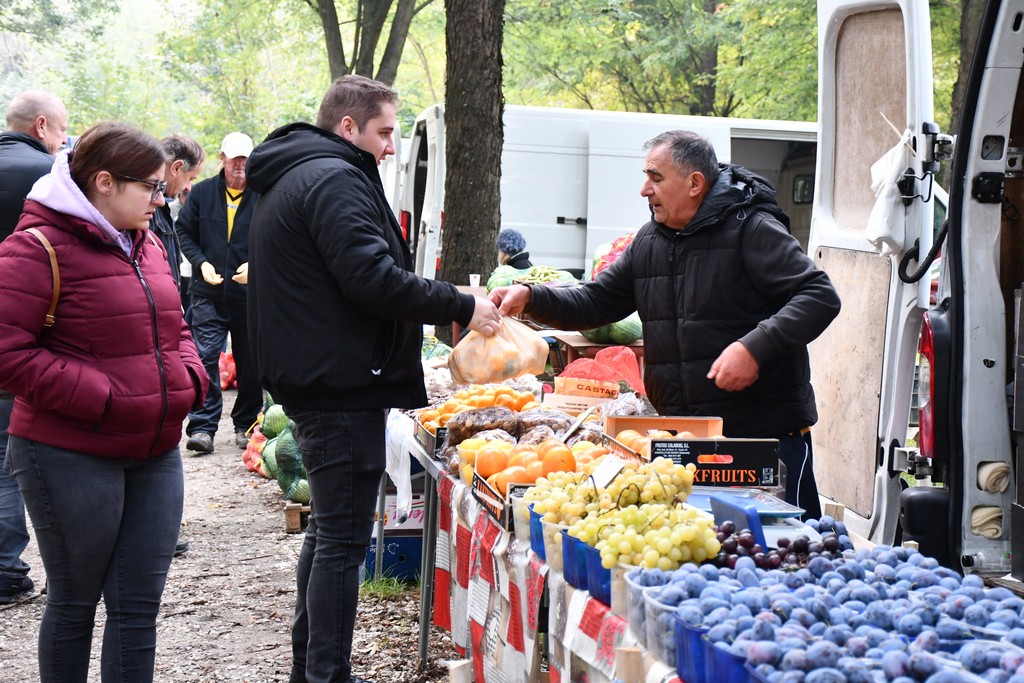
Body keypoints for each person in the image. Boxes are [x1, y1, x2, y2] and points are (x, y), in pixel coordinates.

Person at [246, 74, 500, 683]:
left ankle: (311, 668)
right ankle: (326, 674)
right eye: (384, 132)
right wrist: (460, 303)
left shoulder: (303, 173)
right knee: (342, 540)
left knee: (329, 534)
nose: (390, 146)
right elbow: (372, 280)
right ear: (348, 127)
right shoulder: (333, 179)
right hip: (337, 383)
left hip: (321, 375)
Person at [490, 130, 841, 519]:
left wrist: (754, 348)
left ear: (694, 184)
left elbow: (819, 295)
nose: (645, 190)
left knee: (790, 544)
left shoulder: (752, 229)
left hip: (762, 438)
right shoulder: (650, 241)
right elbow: (596, 301)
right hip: (686, 441)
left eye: (656, 178)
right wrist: (532, 297)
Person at [0, 121, 208, 682]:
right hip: (68, 452)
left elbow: (176, 325)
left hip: (155, 452)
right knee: (75, 603)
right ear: (105, 182)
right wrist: (105, 397)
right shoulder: (35, 247)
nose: (162, 199)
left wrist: (189, 378)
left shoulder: (148, 242)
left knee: (138, 608)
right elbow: (7, 353)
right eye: (152, 187)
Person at [0, 88, 68, 604]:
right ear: (41, 125)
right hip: (30, 338)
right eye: (62, 131)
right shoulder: (48, 177)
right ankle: (7, 572)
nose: (64, 141)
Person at [176, 131, 260, 454]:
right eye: (234, 158)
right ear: (222, 158)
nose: (239, 165)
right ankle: (202, 427)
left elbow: (277, 235)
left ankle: (246, 424)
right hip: (207, 293)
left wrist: (257, 264)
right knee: (205, 356)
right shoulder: (202, 193)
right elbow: (184, 230)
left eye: (244, 159)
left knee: (251, 363)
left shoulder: (263, 195)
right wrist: (201, 263)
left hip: (249, 296)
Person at [151, 134, 204, 307]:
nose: (188, 187)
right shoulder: (147, 209)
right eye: (190, 178)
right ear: (176, 167)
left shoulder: (162, 208)